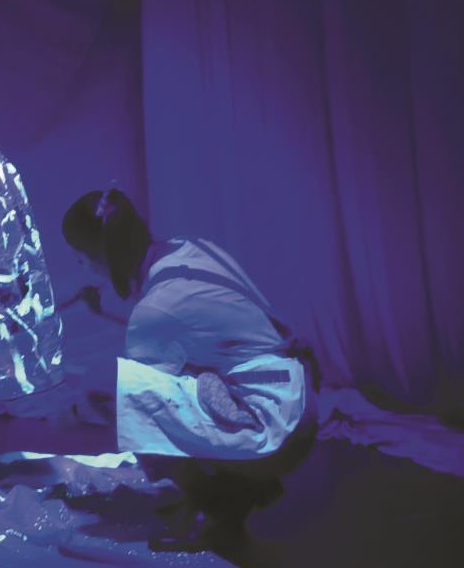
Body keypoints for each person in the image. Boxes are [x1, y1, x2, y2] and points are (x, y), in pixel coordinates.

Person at [61, 188, 321, 549]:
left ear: (98, 257)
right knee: (186, 378)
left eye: (80, 259)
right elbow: (190, 323)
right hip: (299, 397)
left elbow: (142, 395)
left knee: (104, 386)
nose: (81, 269)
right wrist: (103, 309)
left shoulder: (154, 312)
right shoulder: (189, 249)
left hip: (279, 432)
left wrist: (70, 414)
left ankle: (211, 506)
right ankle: (243, 484)